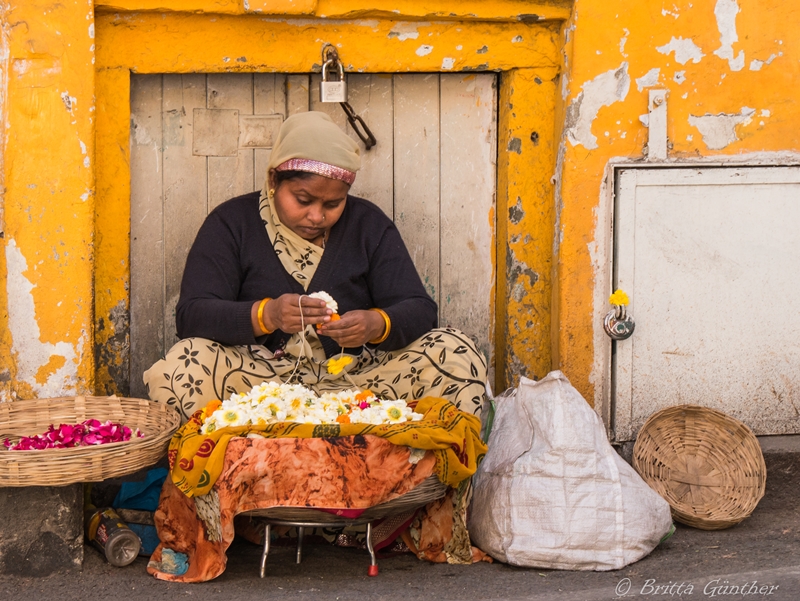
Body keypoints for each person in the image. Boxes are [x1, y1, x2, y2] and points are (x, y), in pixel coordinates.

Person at [144, 111, 487, 422]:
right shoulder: (232, 223)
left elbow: (420, 310)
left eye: (334, 204)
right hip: (260, 386)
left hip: (359, 383)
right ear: (274, 180)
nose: (317, 216)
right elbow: (192, 315)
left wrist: (376, 324)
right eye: (303, 200)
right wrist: (267, 315)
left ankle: (425, 480)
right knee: (182, 366)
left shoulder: (367, 225)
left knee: (452, 352)